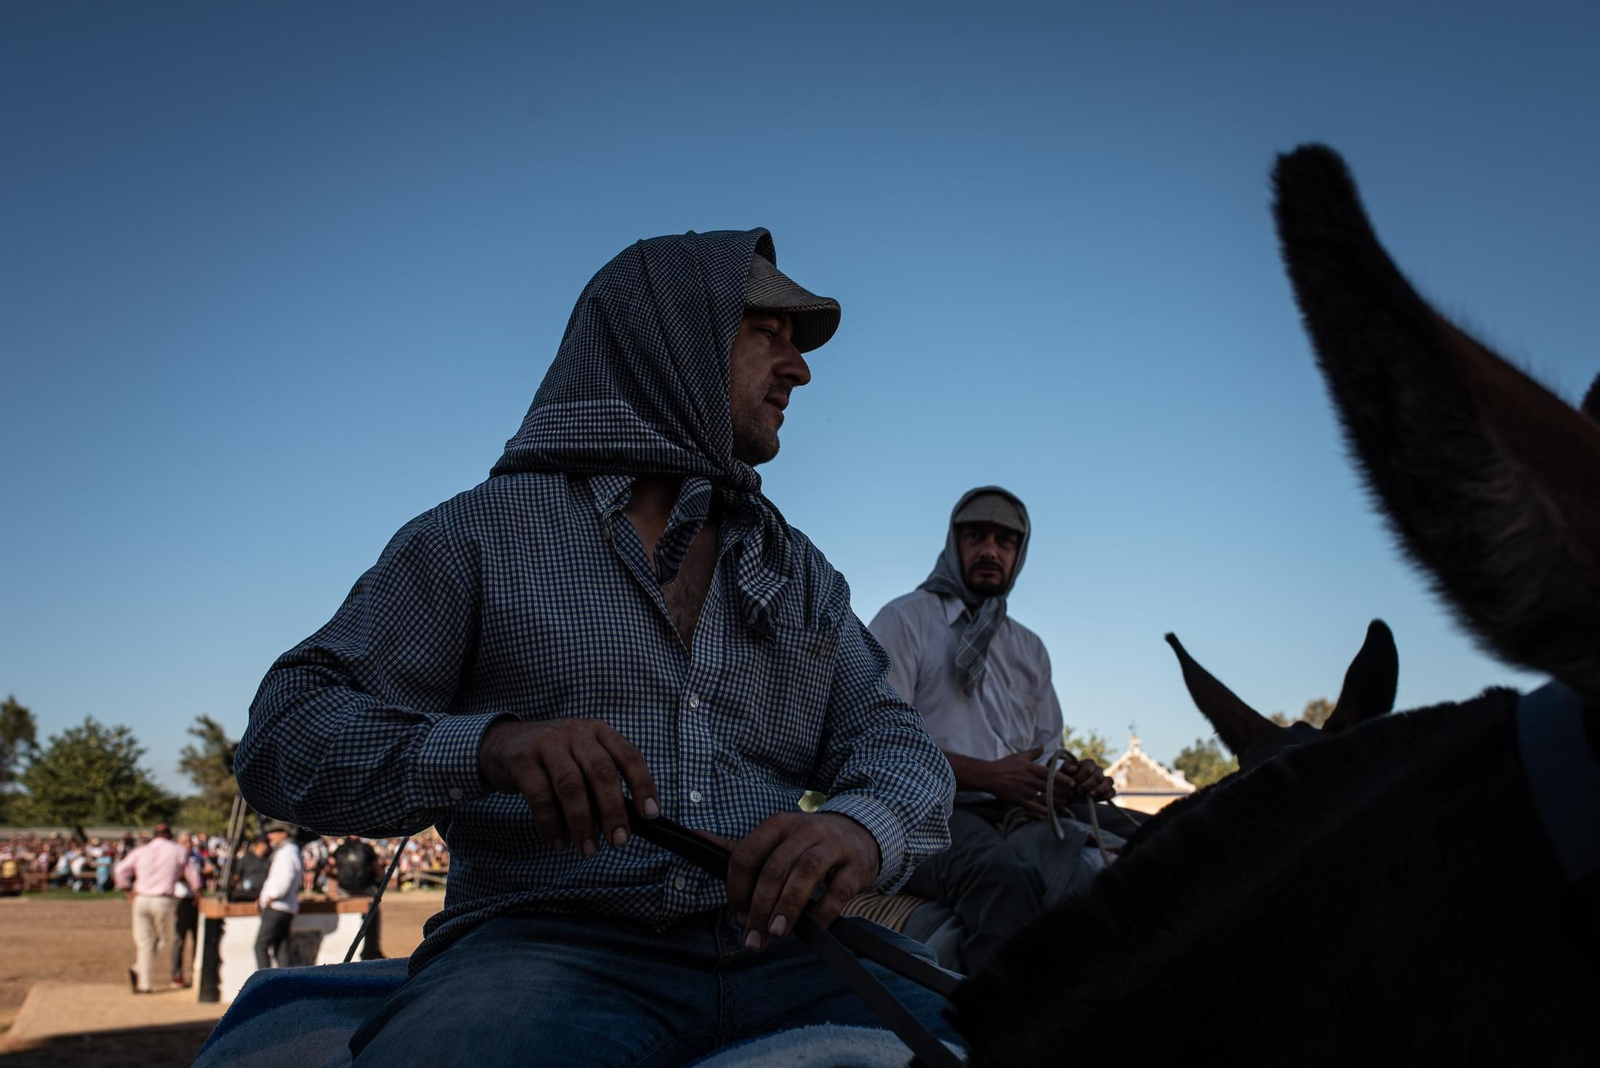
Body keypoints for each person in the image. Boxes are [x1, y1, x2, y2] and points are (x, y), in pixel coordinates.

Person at [236, 228, 956, 1066]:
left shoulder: (797, 571)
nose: (798, 370)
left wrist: (855, 831)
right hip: (541, 950)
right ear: (671, 344)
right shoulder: (480, 536)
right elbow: (284, 735)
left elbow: (897, 743)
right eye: (768, 335)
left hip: (786, 952)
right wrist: (491, 748)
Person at [869, 487, 1122, 973]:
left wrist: (1072, 777)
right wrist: (988, 777)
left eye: (1005, 541)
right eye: (975, 536)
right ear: (952, 542)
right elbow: (881, 745)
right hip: (924, 812)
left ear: (1018, 554)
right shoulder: (906, 619)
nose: (990, 550)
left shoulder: (1029, 648)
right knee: (1004, 881)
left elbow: (1046, 752)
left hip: (1016, 809)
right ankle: (991, 1036)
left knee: (1161, 835)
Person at [113, 822, 201, 993]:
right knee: (164, 940)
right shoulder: (178, 850)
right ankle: (139, 971)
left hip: (141, 899)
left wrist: (127, 889)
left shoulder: (140, 851)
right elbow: (192, 873)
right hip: (163, 900)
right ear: (169, 834)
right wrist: (197, 889)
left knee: (145, 942)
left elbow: (120, 870)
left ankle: (143, 980)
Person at [255, 820, 303, 970]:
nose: (270, 836)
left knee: (261, 946)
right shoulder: (288, 851)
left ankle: (265, 983)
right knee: (281, 948)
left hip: (278, 906)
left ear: (284, 833)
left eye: (274, 832)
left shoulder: (288, 852)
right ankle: (286, 983)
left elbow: (285, 880)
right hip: (283, 905)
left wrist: (272, 897)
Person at [331, 834, 384, 959]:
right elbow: (377, 868)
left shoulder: (339, 849)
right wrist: (380, 881)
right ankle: (371, 949)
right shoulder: (367, 848)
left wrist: (332, 891)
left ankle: (345, 948)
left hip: (344, 891)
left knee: (345, 919)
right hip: (365, 889)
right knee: (373, 916)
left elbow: (332, 870)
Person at [230, 837, 272, 902]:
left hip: (262, 893)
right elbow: (236, 875)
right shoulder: (246, 859)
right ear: (256, 846)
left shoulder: (268, 862)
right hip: (246, 892)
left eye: (265, 846)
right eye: (261, 846)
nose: (263, 848)